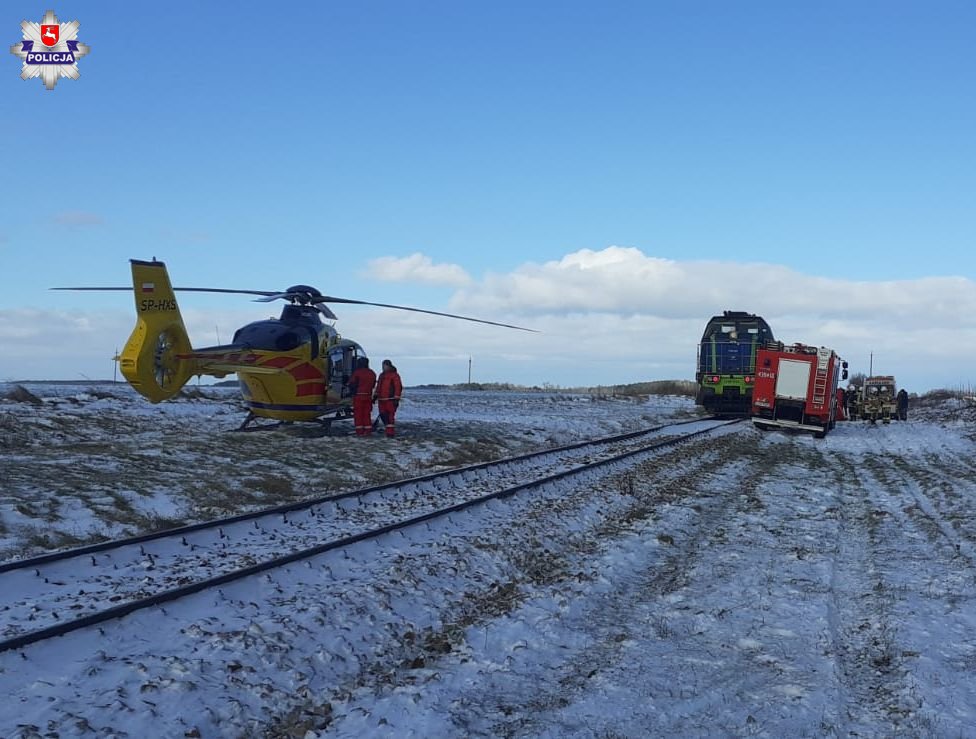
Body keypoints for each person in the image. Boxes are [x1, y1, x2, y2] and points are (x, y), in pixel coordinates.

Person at [373, 359, 403, 437]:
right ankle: (388, 430)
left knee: (390, 417)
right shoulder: (381, 375)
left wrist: (396, 399)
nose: (383, 367)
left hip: (390, 400)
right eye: (382, 366)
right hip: (381, 400)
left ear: (388, 366)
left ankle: (390, 433)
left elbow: (398, 387)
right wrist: (375, 396)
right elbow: (378, 386)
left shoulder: (394, 375)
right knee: (383, 415)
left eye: (384, 366)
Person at [347, 356, 376, 436]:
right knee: (367, 415)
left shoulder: (357, 373)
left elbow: (352, 384)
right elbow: (373, 385)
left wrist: (351, 392)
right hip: (368, 396)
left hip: (358, 397)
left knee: (358, 415)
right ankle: (368, 431)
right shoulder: (372, 373)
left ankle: (359, 432)